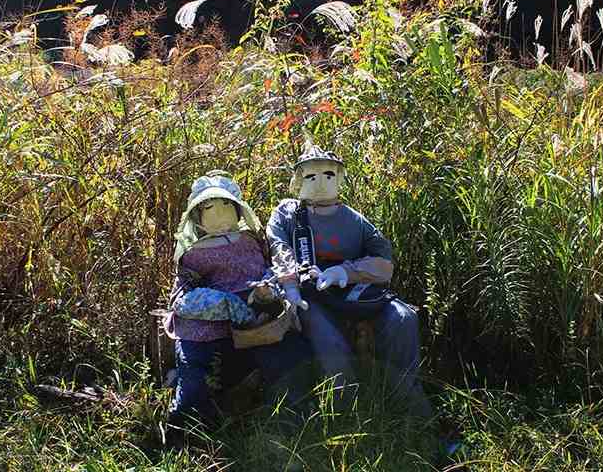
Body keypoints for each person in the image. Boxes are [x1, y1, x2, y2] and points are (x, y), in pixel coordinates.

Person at [266, 143, 433, 418]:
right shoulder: (287, 214)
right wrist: (291, 286)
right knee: (329, 340)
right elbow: (279, 247)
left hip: (356, 292)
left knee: (403, 318)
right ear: (298, 179)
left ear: (340, 178)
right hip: (310, 295)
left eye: (328, 174)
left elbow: (383, 262)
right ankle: (346, 413)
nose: (320, 181)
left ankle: (407, 401)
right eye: (311, 175)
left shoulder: (355, 220)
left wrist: (345, 272)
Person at [164, 170, 312, 440]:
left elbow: (267, 269)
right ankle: (184, 434)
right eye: (209, 209)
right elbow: (182, 298)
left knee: (290, 357)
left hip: (256, 324)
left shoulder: (251, 241)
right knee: (195, 382)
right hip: (206, 328)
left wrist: (267, 290)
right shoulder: (192, 254)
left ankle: (292, 423)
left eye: (226, 206)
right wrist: (225, 303)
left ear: (238, 210)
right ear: (197, 216)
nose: (219, 215)